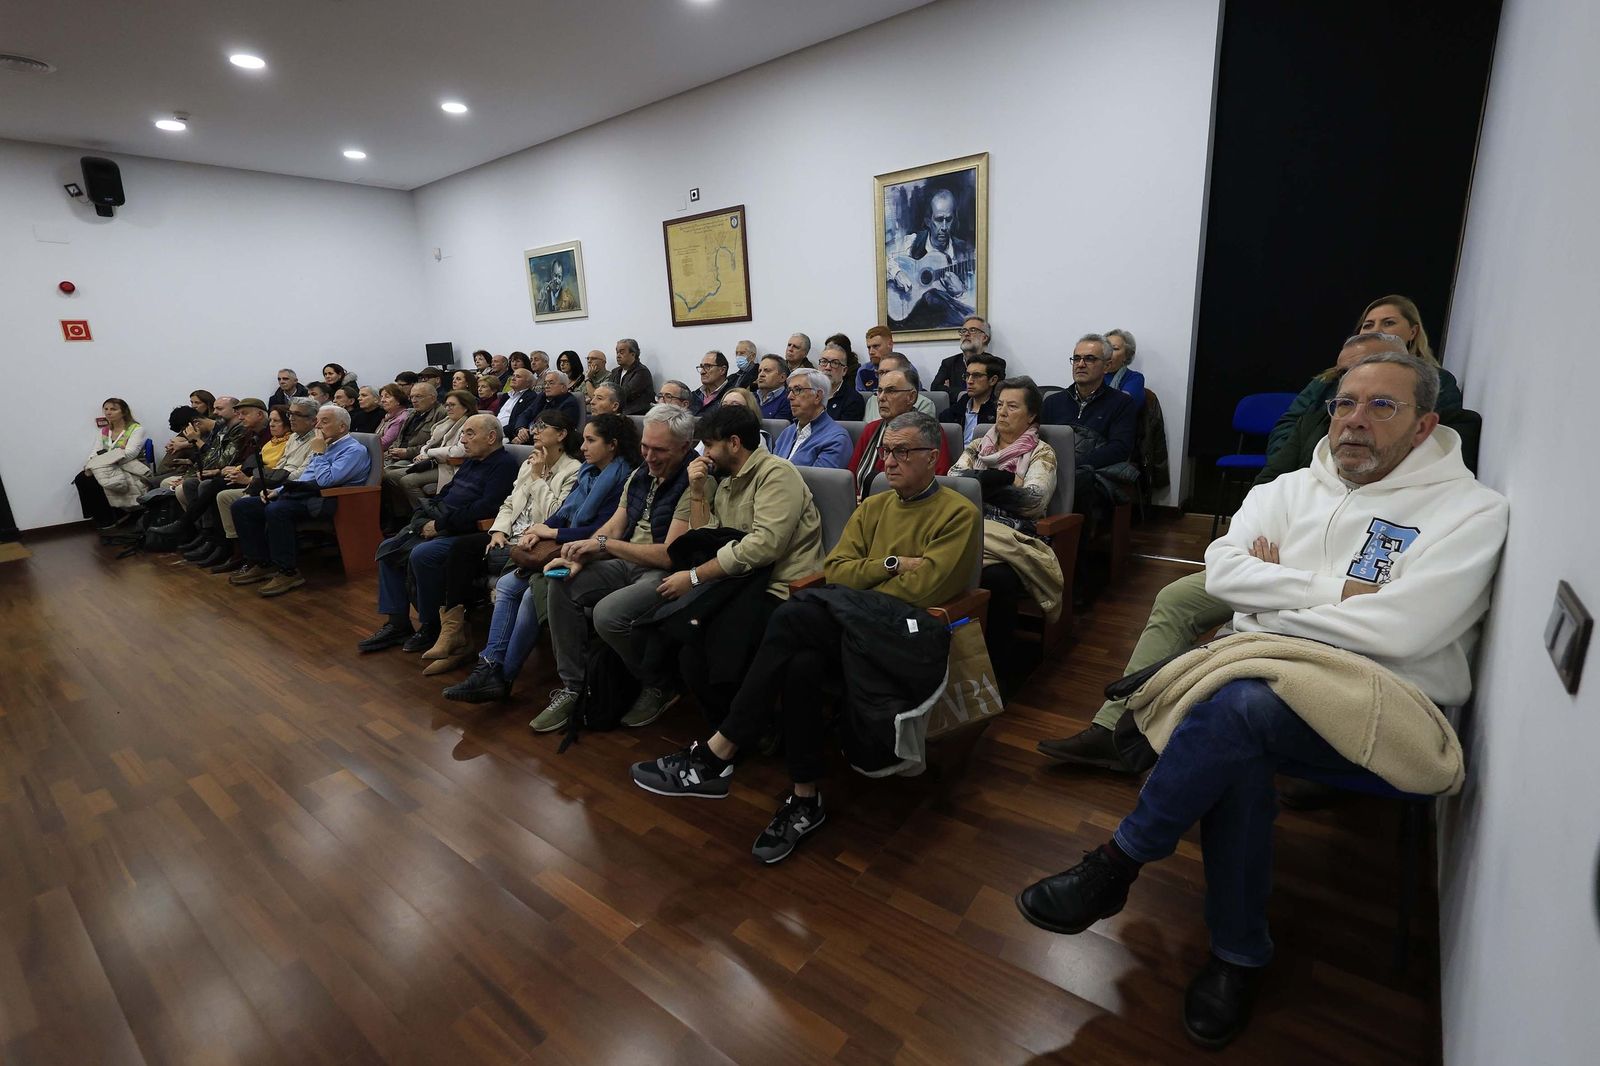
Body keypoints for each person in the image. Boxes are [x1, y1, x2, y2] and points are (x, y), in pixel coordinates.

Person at [1015, 350, 1509, 1050]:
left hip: (1384, 706)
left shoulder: (1470, 512)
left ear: (1426, 424)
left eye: (1381, 406)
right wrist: (1337, 594)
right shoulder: (1287, 489)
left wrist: (1272, 602)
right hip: (1264, 686)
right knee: (1241, 723)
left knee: (1236, 705)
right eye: (1344, 404)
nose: (1354, 422)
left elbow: (1408, 629)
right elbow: (1222, 568)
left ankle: (1120, 864)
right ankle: (1235, 954)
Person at [1039, 332, 1452, 772]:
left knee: (1248, 626)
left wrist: (1275, 589)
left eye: (1376, 393)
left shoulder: (1436, 487)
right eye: (1343, 381)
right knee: (1178, 598)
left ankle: (1166, 736)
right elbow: (1266, 495)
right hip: (1283, 562)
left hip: (1304, 580)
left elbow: (1388, 612)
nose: (1351, 402)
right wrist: (1265, 542)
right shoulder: (1318, 418)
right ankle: (1114, 729)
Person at [629, 410, 982, 863]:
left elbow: (925, 588)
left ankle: (721, 752)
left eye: (902, 452)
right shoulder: (874, 504)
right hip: (850, 623)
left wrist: (867, 575)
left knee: (796, 615)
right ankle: (804, 797)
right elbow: (837, 569)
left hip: (903, 637)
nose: (889, 461)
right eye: (887, 451)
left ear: (932, 458)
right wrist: (892, 565)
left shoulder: (959, 513)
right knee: (800, 660)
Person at [631, 403, 826, 725]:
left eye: (708, 445)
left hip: (779, 587)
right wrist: (696, 492)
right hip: (738, 583)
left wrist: (694, 577)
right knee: (686, 647)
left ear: (734, 443)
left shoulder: (776, 474)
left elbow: (763, 547)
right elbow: (704, 540)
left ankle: (743, 731)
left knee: (705, 649)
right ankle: (733, 730)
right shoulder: (724, 480)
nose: (702, 453)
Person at [447, 414, 640, 703]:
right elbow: (562, 511)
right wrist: (541, 530)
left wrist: (552, 531)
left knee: (527, 594)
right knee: (509, 586)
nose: (583, 446)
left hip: (596, 550)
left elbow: (601, 529)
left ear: (612, 445)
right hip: (566, 541)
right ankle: (488, 667)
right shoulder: (590, 471)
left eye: (591, 440)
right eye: (584, 439)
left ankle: (503, 676)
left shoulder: (623, 477)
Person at [529, 404, 697, 732]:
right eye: (645, 447)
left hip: (664, 572)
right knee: (560, 581)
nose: (648, 456)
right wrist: (580, 555)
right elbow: (615, 526)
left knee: (608, 614)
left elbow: (669, 556)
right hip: (624, 562)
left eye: (659, 450)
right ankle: (574, 688)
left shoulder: (694, 483)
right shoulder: (639, 474)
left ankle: (659, 682)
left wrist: (603, 546)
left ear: (685, 447)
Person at [422, 410, 585, 677]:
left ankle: (457, 637)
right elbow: (509, 503)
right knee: (454, 551)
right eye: (534, 425)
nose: (534, 431)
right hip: (508, 535)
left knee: (461, 551)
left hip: (535, 541)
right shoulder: (530, 462)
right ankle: (451, 633)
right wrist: (498, 530)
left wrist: (536, 480)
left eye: (542, 427)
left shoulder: (573, 470)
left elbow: (555, 515)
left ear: (561, 434)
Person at [359, 415, 518, 652]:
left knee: (423, 554)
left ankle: (431, 625)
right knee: (389, 548)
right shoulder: (472, 461)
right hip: (444, 521)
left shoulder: (503, 466)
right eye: (462, 433)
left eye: (469, 434)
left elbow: (485, 509)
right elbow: (446, 493)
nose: (463, 440)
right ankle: (398, 624)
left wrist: (441, 525)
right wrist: (431, 515)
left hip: (469, 531)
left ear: (491, 437)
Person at [950, 377, 1060, 691]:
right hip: (970, 526)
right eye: (999, 404)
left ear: (1031, 416)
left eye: (1012, 406)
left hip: (1013, 535)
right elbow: (952, 483)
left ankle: (997, 670)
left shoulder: (1041, 453)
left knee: (997, 580)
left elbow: (1033, 502)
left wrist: (981, 484)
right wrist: (1004, 481)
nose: (1002, 412)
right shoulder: (977, 444)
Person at [1268, 295, 1454, 459]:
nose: (1376, 330)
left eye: (1388, 323)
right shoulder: (1328, 379)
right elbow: (1287, 424)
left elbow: (1439, 438)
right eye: (1368, 325)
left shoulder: (1437, 381)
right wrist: (1301, 462)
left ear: (1413, 332)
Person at [227, 404, 375, 596]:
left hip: (333, 499)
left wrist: (320, 453)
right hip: (305, 494)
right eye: (318, 421)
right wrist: (278, 490)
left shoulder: (354, 450)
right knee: (243, 506)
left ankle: (288, 571)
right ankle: (263, 562)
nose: (318, 426)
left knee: (277, 510)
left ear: (342, 427)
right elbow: (304, 478)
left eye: (325, 421)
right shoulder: (325, 444)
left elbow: (326, 481)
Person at [1040, 333, 1139, 539]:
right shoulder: (1053, 402)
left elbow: (1120, 448)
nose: (1081, 364)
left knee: (1079, 480)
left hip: (1093, 474)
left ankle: (1074, 554)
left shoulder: (1121, 403)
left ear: (1106, 366)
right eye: (1076, 358)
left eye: (1090, 359)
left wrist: (1075, 463)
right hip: (1052, 468)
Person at [208, 398, 321, 573]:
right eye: (290, 413)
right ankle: (254, 559)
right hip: (278, 482)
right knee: (234, 501)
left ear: (313, 420)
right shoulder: (294, 437)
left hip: (294, 487)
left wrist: (266, 481)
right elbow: (280, 465)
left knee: (252, 503)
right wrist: (267, 480)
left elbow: (302, 473)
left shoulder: (317, 440)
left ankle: (274, 565)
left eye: (297, 414)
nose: (291, 418)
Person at [184, 403, 301, 568]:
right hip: (259, 479)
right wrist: (225, 471)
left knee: (219, 490)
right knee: (201, 484)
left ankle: (233, 549)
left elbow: (278, 471)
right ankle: (214, 540)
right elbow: (250, 463)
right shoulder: (268, 440)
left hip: (268, 483)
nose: (272, 424)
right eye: (272, 420)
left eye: (277, 421)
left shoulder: (285, 440)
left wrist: (246, 478)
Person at [165, 397, 270, 552]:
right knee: (190, 483)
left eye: (219, 409)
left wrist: (196, 442)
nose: (214, 413)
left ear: (260, 415)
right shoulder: (235, 430)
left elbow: (221, 460)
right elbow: (219, 460)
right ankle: (205, 536)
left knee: (211, 485)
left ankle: (218, 542)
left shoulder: (242, 431)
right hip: (236, 472)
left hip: (251, 477)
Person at [849, 367, 950, 497]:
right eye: (879, 391)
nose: (881, 398)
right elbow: (852, 475)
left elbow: (937, 479)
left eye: (890, 391)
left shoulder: (927, 430)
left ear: (911, 397)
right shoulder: (871, 429)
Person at [886, 188, 975, 330]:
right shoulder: (911, 242)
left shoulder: (966, 253)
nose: (944, 227)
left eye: (949, 219)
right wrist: (897, 273)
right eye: (939, 220)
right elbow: (881, 260)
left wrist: (960, 293)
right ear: (928, 220)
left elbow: (976, 308)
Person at [76, 398, 151, 528]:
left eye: (113, 409)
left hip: (126, 465)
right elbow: (95, 451)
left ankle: (114, 516)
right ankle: (101, 517)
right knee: (82, 478)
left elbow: (130, 453)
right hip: (105, 466)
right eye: (106, 409)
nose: (108, 412)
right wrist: (90, 464)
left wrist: (103, 462)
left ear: (123, 412)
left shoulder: (136, 429)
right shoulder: (104, 431)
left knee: (96, 480)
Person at [381, 382, 448, 521]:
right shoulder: (413, 413)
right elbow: (400, 438)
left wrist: (407, 452)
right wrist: (392, 450)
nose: (414, 400)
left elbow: (435, 445)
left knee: (387, 474)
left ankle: (411, 516)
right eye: (412, 397)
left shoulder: (441, 414)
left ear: (432, 398)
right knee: (375, 470)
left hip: (419, 458)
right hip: (399, 454)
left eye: (419, 396)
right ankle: (397, 515)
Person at [773, 369, 852, 469]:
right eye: (789, 390)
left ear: (818, 396)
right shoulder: (787, 433)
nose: (789, 397)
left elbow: (818, 482)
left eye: (797, 390)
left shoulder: (836, 439)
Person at [931, 316, 999, 408]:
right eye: (963, 331)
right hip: (954, 414)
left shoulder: (995, 363)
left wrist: (950, 389)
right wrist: (974, 391)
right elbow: (935, 389)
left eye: (973, 330)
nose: (966, 334)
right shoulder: (949, 363)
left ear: (985, 338)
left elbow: (995, 394)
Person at [939, 353, 1004, 444]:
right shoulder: (952, 413)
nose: (969, 381)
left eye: (976, 376)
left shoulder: (1001, 413)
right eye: (967, 375)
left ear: (992, 380)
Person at [862, 354, 938, 422]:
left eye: (889, 372)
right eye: (881, 373)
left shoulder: (924, 403)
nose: (884, 377)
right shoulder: (872, 400)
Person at [520, 370, 582, 441]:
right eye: (545, 383)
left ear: (563, 387)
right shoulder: (542, 396)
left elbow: (553, 427)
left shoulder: (569, 403)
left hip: (551, 441)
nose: (546, 386)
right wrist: (521, 429)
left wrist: (526, 434)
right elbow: (525, 414)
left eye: (551, 383)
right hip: (530, 436)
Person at [819, 345, 865, 421]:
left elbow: (843, 430)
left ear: (844, 371)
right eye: (824, 361)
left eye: (834, 363)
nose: (827, 367)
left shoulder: (853, 400)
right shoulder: (809, 392)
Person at [1104, 328, 1145, 408]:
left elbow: (1119, 405)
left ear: (1126, 355)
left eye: (1114, 349)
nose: (1108, 352)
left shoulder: (1134, 378)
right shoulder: (1094, 375)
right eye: (1105, 348)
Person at [613, 338, 655, 415]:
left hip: (635, 412)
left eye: (622, 352)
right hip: (619, 410)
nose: (618, 355)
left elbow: (625, 394)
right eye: (617, 352)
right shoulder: (615, 371)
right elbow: (608, 389)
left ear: (633, 354)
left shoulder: (642, 371)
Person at [499, 368, 539, 435]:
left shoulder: (531, 397)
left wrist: (501, 431)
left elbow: (521, 420)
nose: (513, 378)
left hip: (508, 434)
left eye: (518, 377)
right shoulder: (505, 396)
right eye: (513, 375)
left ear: (528, 383)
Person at [857, 325, 895, 395]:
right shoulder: (863, 371)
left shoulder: (905, 369)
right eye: (869, 347)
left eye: (876, 346)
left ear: (890, 344)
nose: (871, 352)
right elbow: (860, 401)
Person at [753, 355, 792, 422]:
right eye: (759, 371)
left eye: (767, 371)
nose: (761, 375)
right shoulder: (751, 397)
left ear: (782, 377)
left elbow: (776, 429)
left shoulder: (788, 400)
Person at [375, 384, 411, 453]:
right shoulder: (388, 417)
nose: (382, 400)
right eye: (382, 397)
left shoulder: (400, 419)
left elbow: (384, 444)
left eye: (387, 397)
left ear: (398, 400)